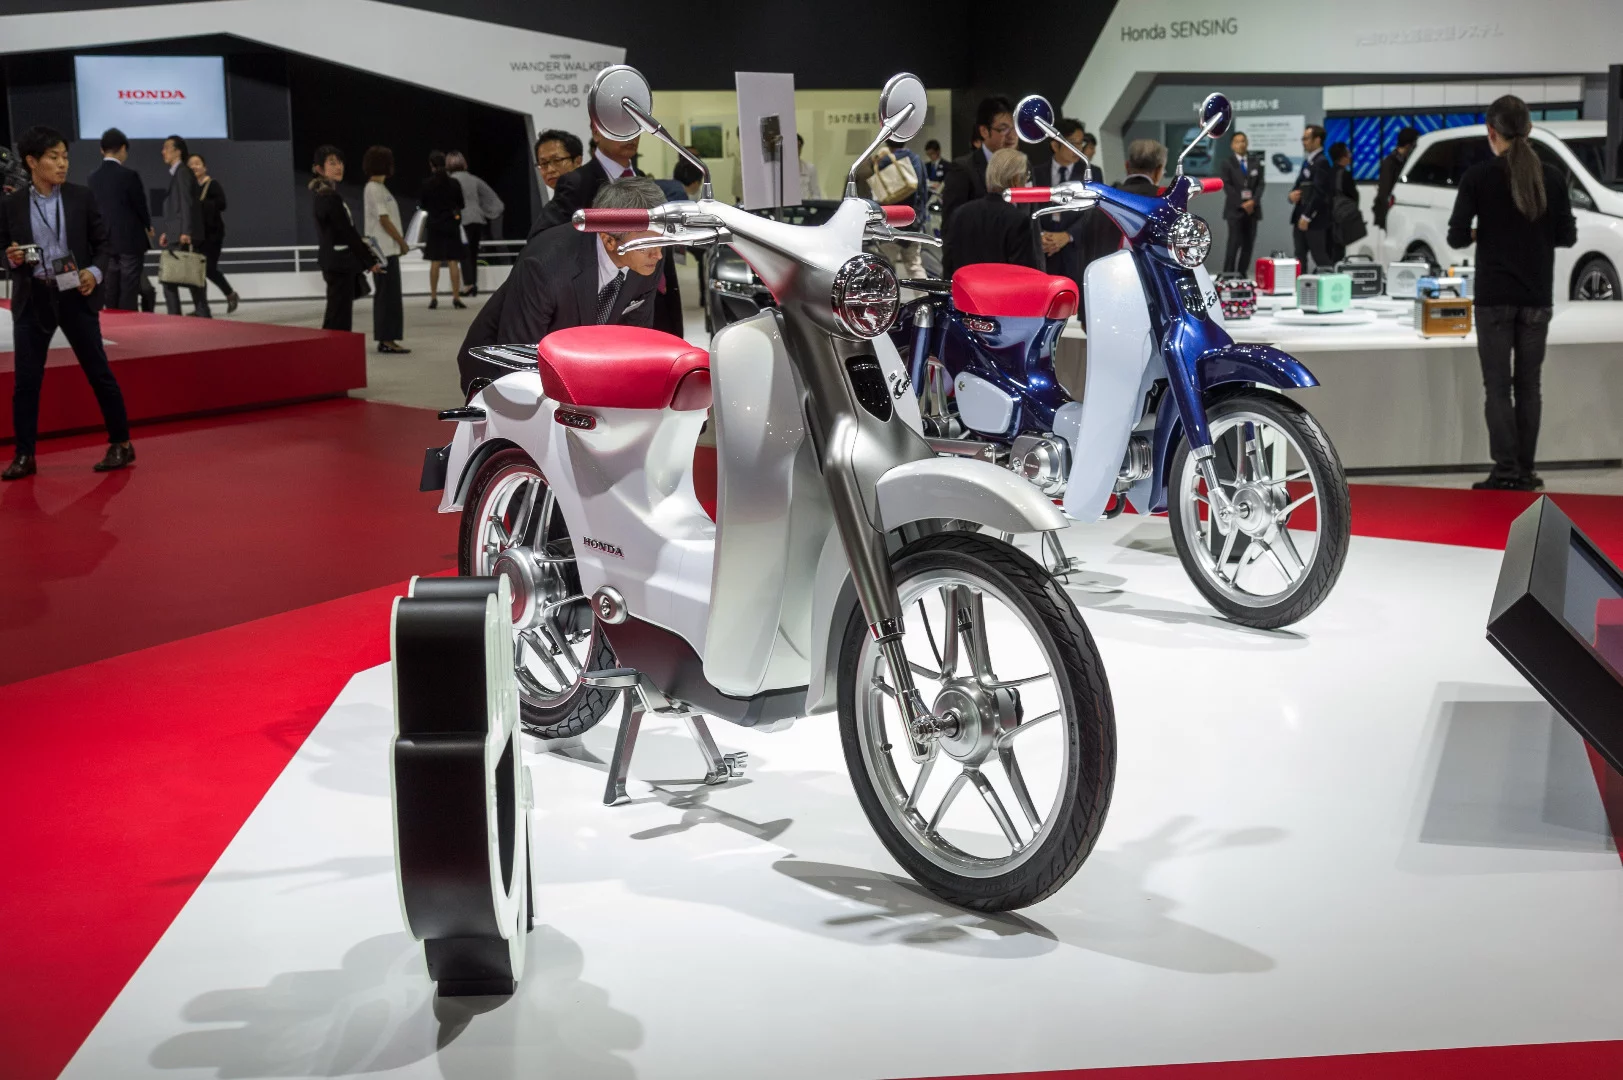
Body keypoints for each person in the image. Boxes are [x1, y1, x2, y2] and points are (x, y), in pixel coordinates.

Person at [1447, 95, 1576, 492]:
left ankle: (1504, 473)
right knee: (1530, 386)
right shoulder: (1552, 177)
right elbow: (1567, 236)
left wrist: (1480, 233)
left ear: (1492, 132)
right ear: (1531, 130)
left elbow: (1455, 236)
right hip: (1537, 298)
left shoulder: (1478, 177)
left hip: (1493, 298)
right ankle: (1525, 472)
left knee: (1498, 387)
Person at [2, 125, 133, 479]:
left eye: (65, 157)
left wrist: (95, 271)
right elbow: (5, 251)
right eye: (53, 157)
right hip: (34, 296)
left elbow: (104, 244)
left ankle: (121, 442)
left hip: (76, 292)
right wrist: (11, 258)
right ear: (32, 161)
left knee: (98, 372)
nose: (63, 164)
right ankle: (25, 455)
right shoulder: (12, 204)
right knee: (26, 382)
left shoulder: (80, 196)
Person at [457, 179, 666, 394]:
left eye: (661, 241)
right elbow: (519, 355)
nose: (658, 254)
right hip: (502, 367)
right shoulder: (545, 267)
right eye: (647, 246)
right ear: (609, 241)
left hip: (576, 365)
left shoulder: (647, 256)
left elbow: (633, 340)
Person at [531, 125, 683, 337]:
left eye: (634, 127)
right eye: (619, 127)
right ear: (596, 131)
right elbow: (543, 246)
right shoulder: (576, 183)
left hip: (652, 298)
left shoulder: (642, 179)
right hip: (597, 310)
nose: (629, 134)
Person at [308, 144, 381, 332]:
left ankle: (331, 353)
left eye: (340, 162)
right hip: (339, 263)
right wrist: (368, 259)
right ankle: (333, 355)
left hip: (336, 263)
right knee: (339, 316)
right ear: (319, 169)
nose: (338, 166)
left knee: (336, 313)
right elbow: (346, 232)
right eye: (332, 163)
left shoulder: (325, 195)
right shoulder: (328, 197)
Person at [941, 147, 1041, 279]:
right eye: (1026, 177)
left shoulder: (960, 214)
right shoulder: (1018, 220)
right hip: (1001, 297)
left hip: (964, 294)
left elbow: (949, 261)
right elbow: (1026, 273)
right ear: (1016, 179)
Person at [85, 127, 150, 312]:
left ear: (101, 150)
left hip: (105, 239)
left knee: (111, 285)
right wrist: (148, 224)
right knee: (129, 286)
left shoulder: (93, 178)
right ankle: (129, 321)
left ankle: (114, 322)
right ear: (123, 148)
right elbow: (140, 205)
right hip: (130, 239)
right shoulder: (129, 175)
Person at [1037, 118, 1092, 304]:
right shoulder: (1036, 172)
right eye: (1073, 143)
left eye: (1081, 143)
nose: (1079, 148)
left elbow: (1092, 213)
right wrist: (1040, 234)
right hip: (1043, 248)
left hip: (1074, 250)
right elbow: (1027, 208)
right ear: (1055, 145)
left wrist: (1067, 235)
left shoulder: (1090, 173)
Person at [940, 96, 1016, 228]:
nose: (1012, 135)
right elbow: (950, 225)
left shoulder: (1025, 167)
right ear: (984, 131)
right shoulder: (963, 169)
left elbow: (1032, 220)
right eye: (1004, 129)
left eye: (1015, 128)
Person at [362, 145, 410, 354]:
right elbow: (383, 219)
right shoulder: (373, 188)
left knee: (391, 296)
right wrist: (401, 241)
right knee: (385, 296)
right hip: (383, 251)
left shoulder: (381, 188)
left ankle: (389, 337)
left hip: (388, 250)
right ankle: (385, 338)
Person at [157, 133, 209, 317]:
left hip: (182, 234)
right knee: (185, 276)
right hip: (177, 232)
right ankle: (201, 312)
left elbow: (187, 203)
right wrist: (167, 231)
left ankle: (179, 316)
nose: (163, 152)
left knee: (173, 278)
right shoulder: (179, 173)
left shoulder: (183, 172)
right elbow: (179, 207)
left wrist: (186, 231)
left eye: (166, 148)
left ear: (177, 151)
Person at [866, 138, 928, 279]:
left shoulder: (883, 161)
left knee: (885, 266)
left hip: (890, 222)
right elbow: (924, 192)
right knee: (914, 265)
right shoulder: (915, 159)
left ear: (887, 143)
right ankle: (924, 298)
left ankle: (885, 300)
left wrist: (876, 159)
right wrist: (921, 218)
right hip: (912, 222)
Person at [446, 150, 505, 297]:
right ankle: (474, 285)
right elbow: (494, 201)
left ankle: (468, 285)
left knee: (464, 254)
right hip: (477, 219)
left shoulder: (450, 181)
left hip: (461, 220)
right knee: (473, 253)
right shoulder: (474, 179)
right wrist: (487, 213)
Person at [187, 152, 238, 314]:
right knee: (198, 273)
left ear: (204, 167)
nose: (194, 166)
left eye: (197, 163)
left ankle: (229, 293)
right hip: (197, 235)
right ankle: (202, 307)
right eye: (191, 164)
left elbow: (222, 204)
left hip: (213, 234)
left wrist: (202, 205)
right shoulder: (190, 187)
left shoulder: (212, 184)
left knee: (208, 268)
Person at [418, 150, 465, 309]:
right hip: (451, 224)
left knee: (435, 261)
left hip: (434, 225)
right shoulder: (454, 183)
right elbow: (461, 204)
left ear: (431, 165)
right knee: (453, 261)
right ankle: (456, 297)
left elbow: (423, 205)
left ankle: (433, 297)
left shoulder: (427, 184)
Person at [1288, 124, 1335, 271]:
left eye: (1306, 138)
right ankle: (1301, 287)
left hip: (1314, 219)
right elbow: (1298, 185)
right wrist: (1291, 195)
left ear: (1317, 140)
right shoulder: (1308, 162)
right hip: (1300, 215)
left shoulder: (1322, 162)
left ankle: (1334, 284)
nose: (1303, 141)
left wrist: (1307, 217)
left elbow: (1319, 193)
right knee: (1300, 255)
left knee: (1319, 255)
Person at [1219, 130, 1263, 274]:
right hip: (1235, 210)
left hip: (1253, 210)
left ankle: (1242, 274)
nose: (1241, 144)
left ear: (1247, 143)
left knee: (1248, 244)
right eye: (1238, 142)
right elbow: (1227, 185)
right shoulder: (1227, 163)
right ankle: (1228, 274)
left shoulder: (1255, 162)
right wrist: (1242, 204)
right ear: (1232, 145)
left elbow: (1260, 184)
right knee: (1234, 243)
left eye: (1243, 141)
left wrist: (1253, 202)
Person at [1374, 126, 1420, 231]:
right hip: (1392, 215)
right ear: (1408, 145)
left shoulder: (1403, 161)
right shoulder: (1390, 163)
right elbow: (1384, 193)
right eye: (1415, 145)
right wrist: (1392, 214)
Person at [1327, 141, 1363, 261]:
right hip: (1340, 218)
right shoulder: (1344, 174)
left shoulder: (1328, 172)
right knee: (1338, 252)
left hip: (1327, 219)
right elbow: (1353, 196)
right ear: (1342, 156)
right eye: (1348, 153)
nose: (1350, 155)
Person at [534, 129, 583, 210]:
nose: (550, 170)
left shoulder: (599, 198)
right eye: (544, 163)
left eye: (557, 160)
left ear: (577, 162)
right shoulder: (550, 210)